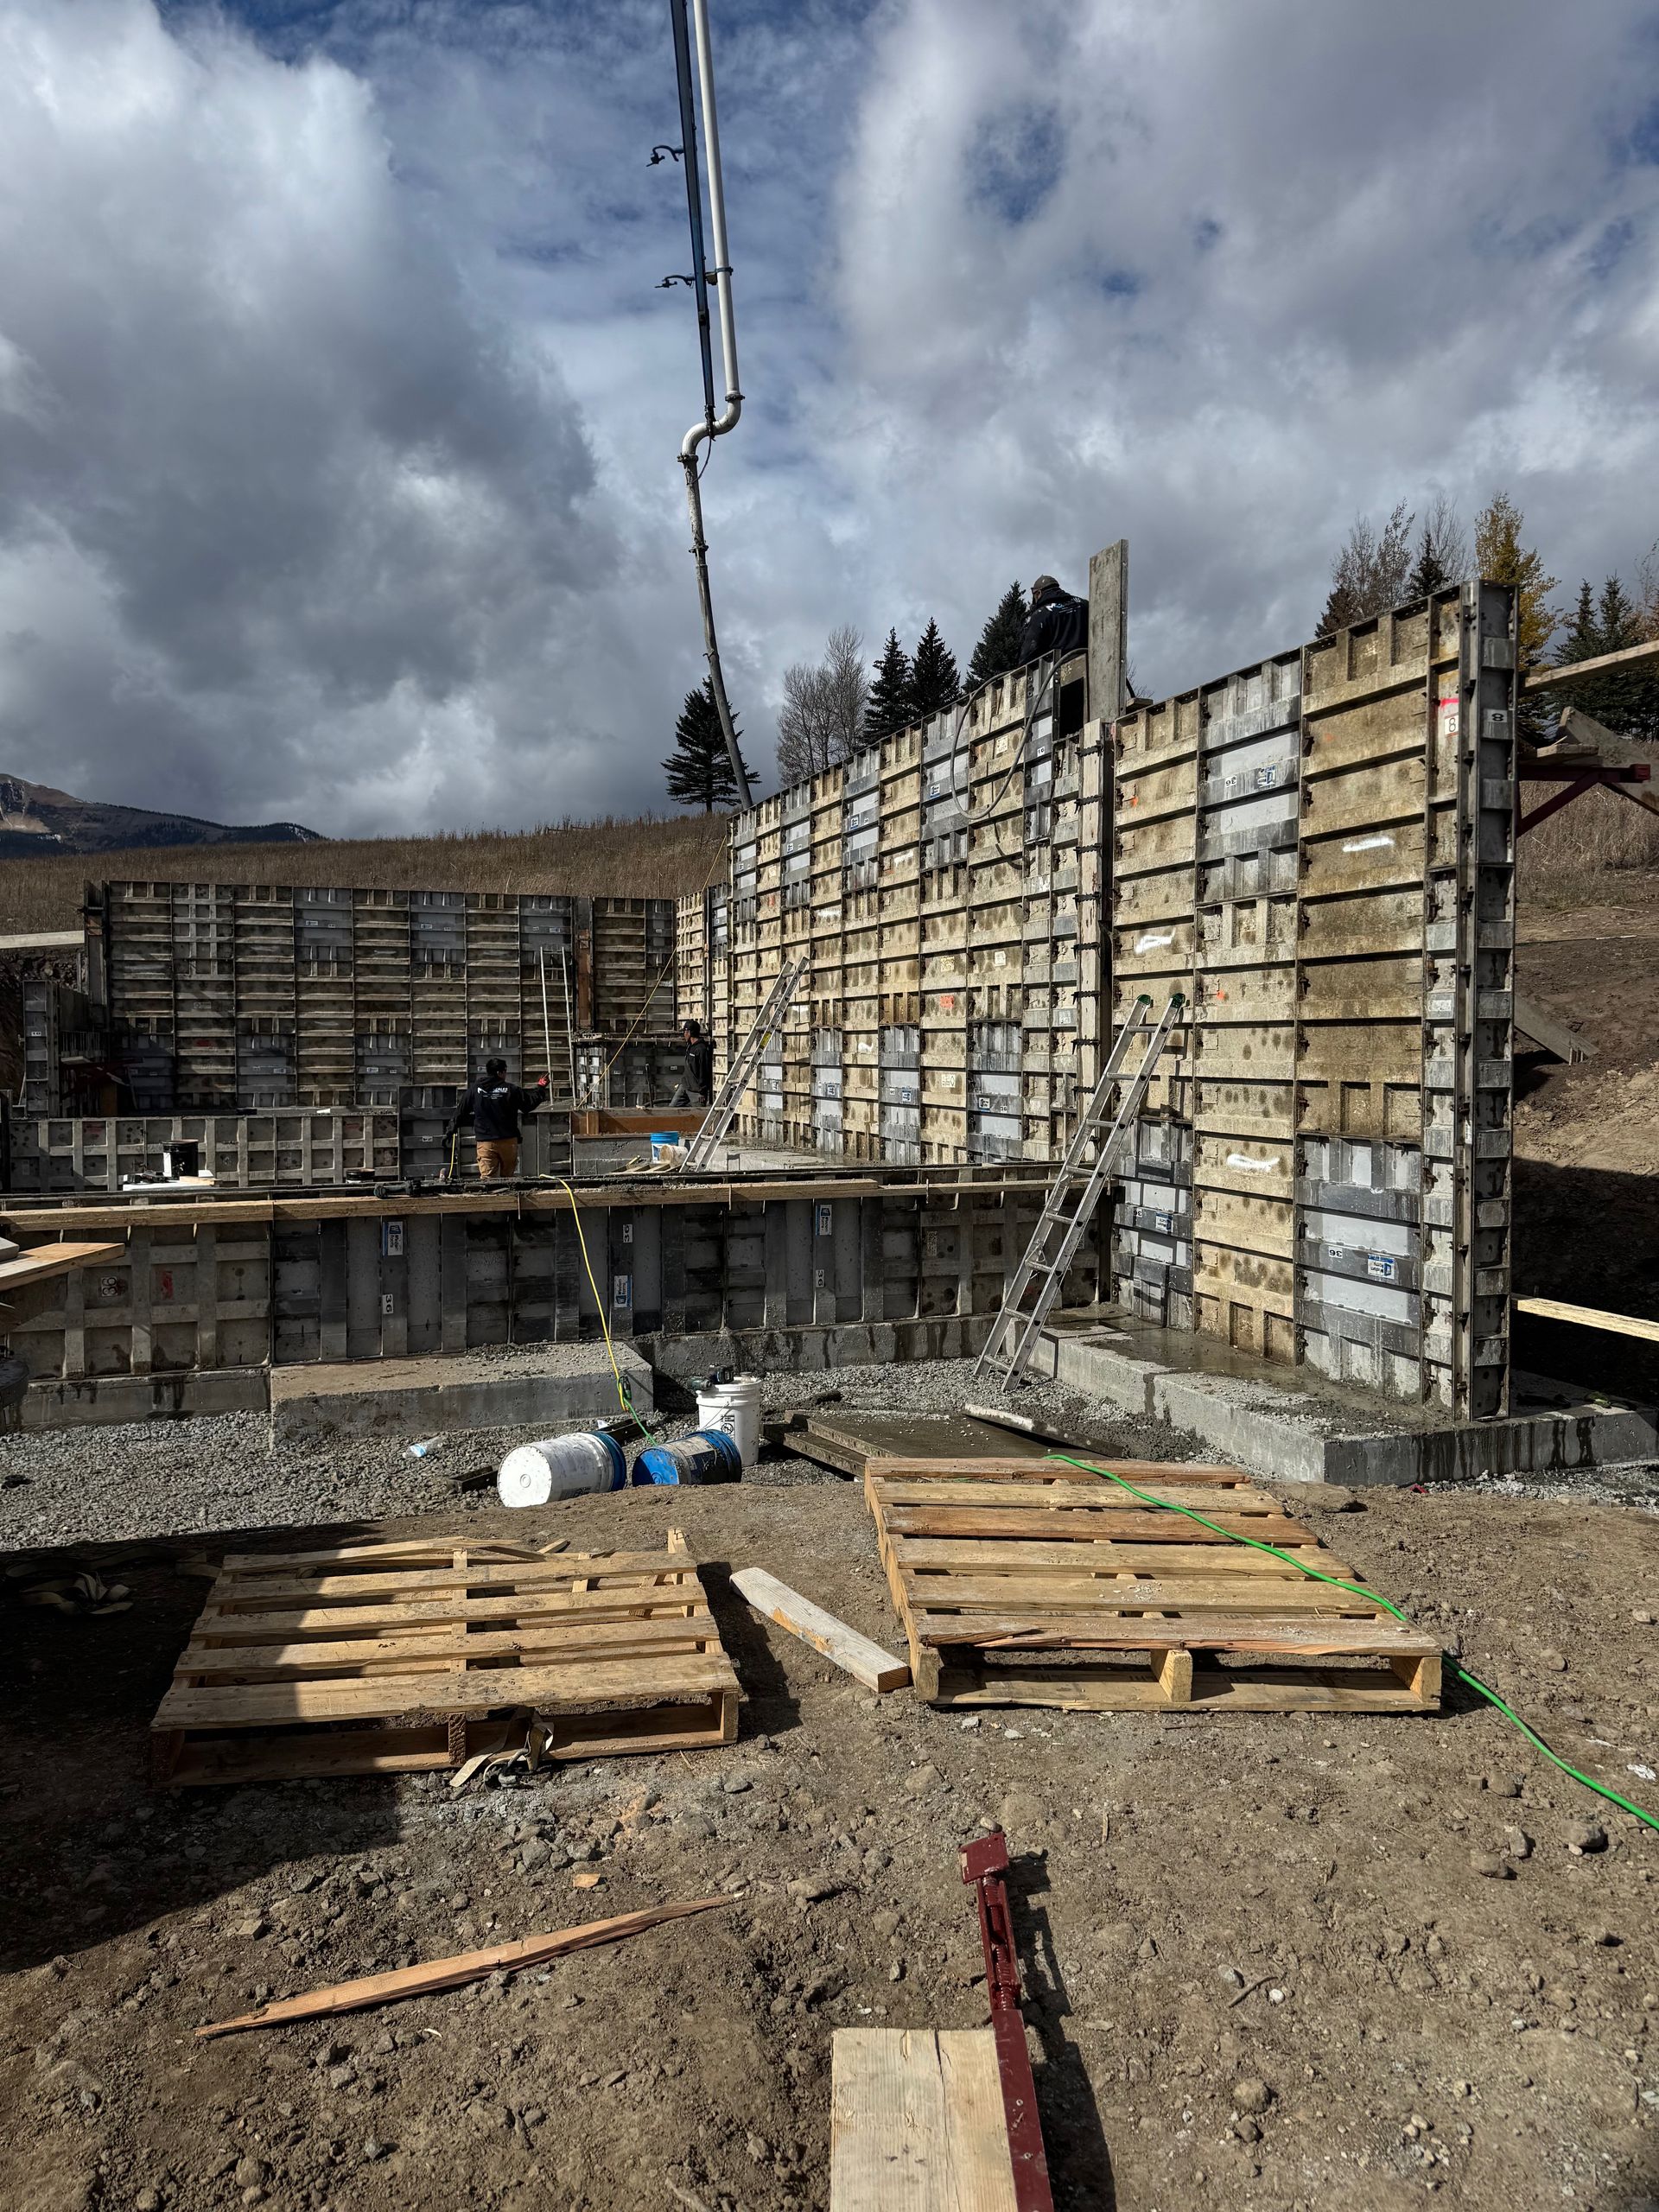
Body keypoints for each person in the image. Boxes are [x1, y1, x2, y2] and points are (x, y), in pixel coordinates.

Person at [444, 1058, 549, 1179]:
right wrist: (541, 1087)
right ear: (499, 1073)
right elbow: (529, 1104)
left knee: (488, 1181)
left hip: (486, 1142)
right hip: (508, 1142)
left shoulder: (474, 1090)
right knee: (508, 1180)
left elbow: (460, 1112)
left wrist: (449, 1132)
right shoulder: (511, 1089)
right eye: (505, 1071)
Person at [1017, 573, 1089, 664]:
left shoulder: (1041, 613)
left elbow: (1029, 654)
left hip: (1063, 670)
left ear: (1038, 593)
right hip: (1091, 662)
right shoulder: (1083, 604)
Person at [671, 1020, 715, 1109]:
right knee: (672, 1108)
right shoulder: (690, 1047)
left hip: (696, 1091)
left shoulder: (701, 1049)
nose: (684, 1034)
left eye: (685, 1032)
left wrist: (702, 1092)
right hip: (685, 1086)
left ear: (690, 1032)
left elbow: (704, 1071)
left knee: (698, 1113)